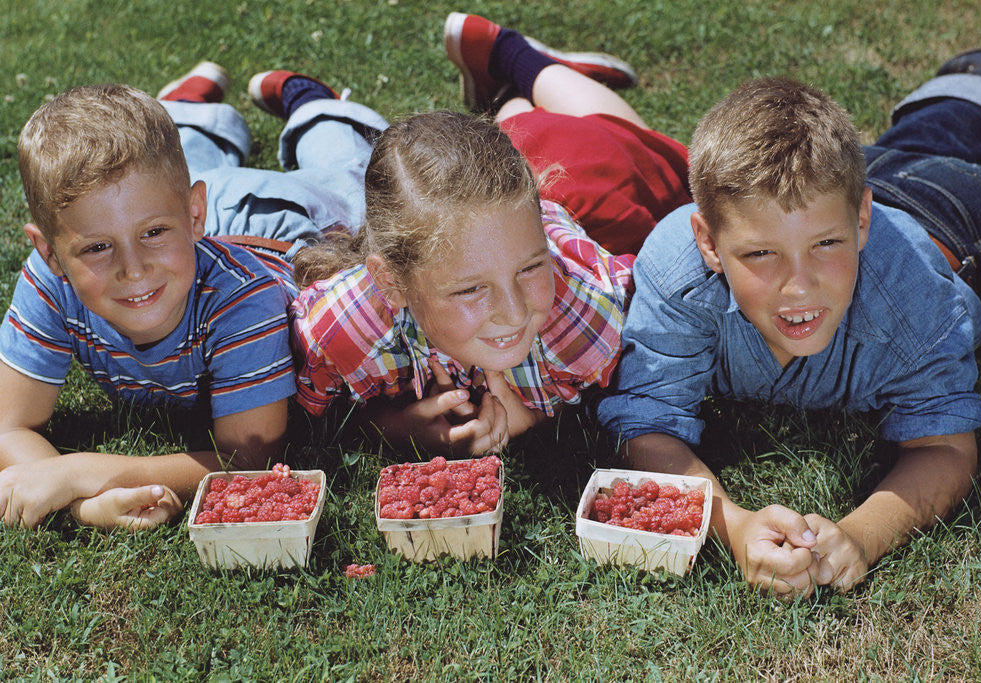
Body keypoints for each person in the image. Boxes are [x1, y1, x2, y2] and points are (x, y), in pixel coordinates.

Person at [597, 48, 981, 596]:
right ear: (707, 243)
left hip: (962, 225)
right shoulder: (679, 272)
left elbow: (944, 446)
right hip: (827, 195)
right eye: (759, 256)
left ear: (861, 221)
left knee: (949, 159)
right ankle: (977, 78)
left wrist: (861, 536)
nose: (798, 285)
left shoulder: (908, 296)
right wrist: (735, 523)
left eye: (826, 247)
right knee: (917, 144)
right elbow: (646, 421)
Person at [0, 63, 385, 530]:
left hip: (280, 225)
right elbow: (8, 425)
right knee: (158, 175)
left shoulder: (245, 303)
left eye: (152, 233)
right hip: (187, 215)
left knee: (353, 184)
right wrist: (82, 503)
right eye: (97, 247)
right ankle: (190, 110)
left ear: (193, 214)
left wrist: (85, 470)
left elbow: (251, 457)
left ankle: (316, 107)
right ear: (50, 250)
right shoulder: (51, 280)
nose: (133, 268)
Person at [287, 13, 691, 457]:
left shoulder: (592, 317)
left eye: (532, 268)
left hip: (583, 188)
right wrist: (390, 427)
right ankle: (506, 95)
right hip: (494, 200)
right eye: (471, 289)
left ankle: (519, 59)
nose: (514, 311)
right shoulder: (339, 330)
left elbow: (646, 384)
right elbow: (305, 418)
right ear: (391, 283)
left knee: (663, 158)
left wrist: (534, 413)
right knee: (520, 117)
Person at [444, 11, 692, 255]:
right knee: (533, 125)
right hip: (567, 175)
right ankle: (511, 66)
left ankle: (512, 66)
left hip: (578, 183)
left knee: (614, 147)